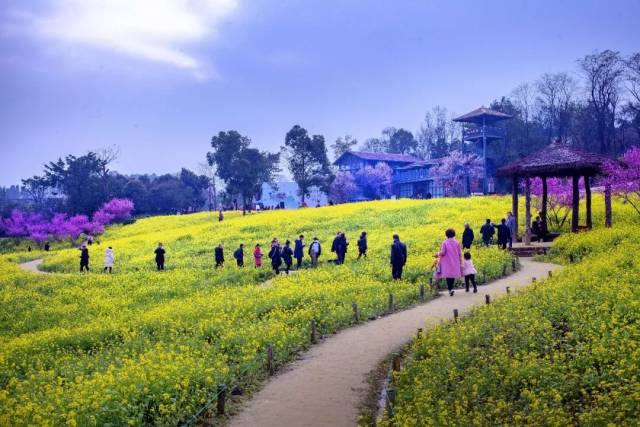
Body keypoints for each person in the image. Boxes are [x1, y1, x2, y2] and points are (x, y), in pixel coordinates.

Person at [438, 228, 462, 296]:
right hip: (455, 261)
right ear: (454, 234)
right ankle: (451, 289)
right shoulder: (457, 242)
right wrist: (460, 261)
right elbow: (460, 253)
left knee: (448, 276)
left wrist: (437, 254)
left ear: (446, 235)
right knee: (452, 275)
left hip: (447, 261)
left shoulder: (445, 242)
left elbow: (443, 252)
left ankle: (450, 289)